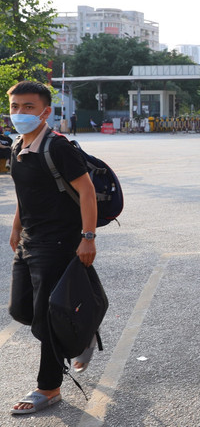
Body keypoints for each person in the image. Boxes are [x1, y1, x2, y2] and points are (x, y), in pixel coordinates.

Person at [7, 81, 99, 415]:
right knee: (21, 310)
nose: (19, 113)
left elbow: (86, 191)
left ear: (46, 112)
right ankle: (81, 328)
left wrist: (87, 237)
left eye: (28, 107)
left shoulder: (57, 147)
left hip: (59, 242)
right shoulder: (19, 145)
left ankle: (48, 388)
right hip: (30, 240)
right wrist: (17, 227)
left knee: (46, 321)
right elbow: (24, 193)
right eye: (15, 106)